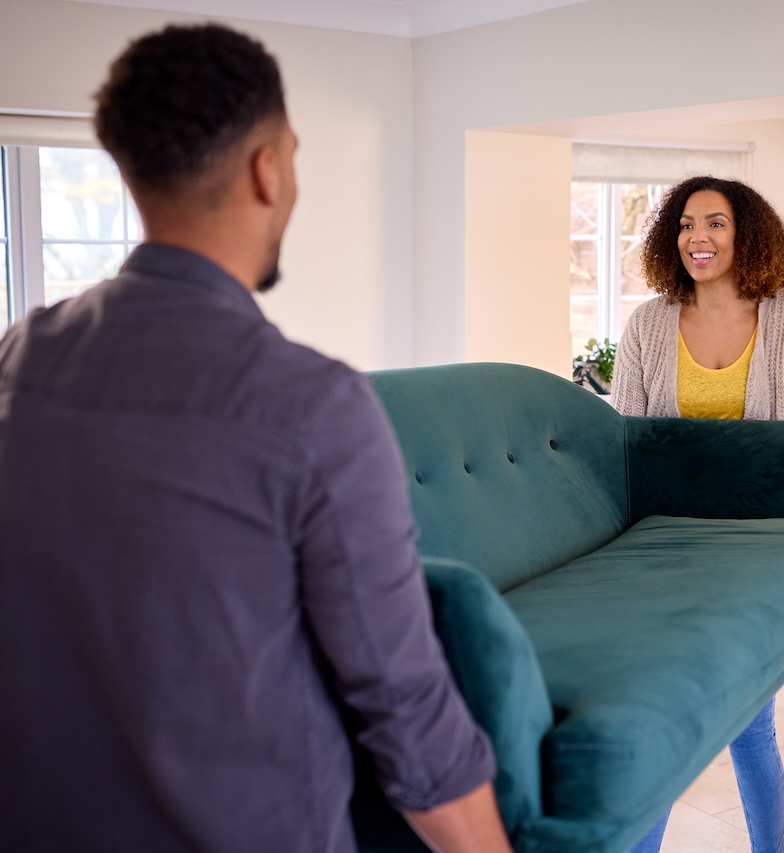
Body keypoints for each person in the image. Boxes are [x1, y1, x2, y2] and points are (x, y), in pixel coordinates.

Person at [0, 24, 509, 853]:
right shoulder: (312, 407)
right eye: (296, 155)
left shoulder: (21, 354)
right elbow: (406, 711)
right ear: (267, 170)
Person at [612, 176, 784, 853]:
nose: (697, 237)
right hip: (664, 555)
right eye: (685, 224)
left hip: (755, 559)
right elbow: (624, 447)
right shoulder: (649, 324)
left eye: (714, 222)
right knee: (662, 724)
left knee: (751, 724)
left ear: (747, 234)